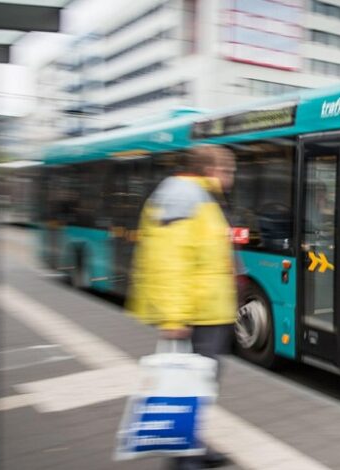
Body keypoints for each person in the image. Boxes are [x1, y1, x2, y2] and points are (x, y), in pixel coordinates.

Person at [127, 144, 237, 470]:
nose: (230, 178)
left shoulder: (201, 197)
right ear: (210, 169)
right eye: (227, 170)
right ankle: (183, 456)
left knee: (202, 382)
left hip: (209, 310)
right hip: (197, 313)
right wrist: (174, 316)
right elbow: (170, 261)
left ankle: (195, 447)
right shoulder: (183, 197)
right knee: (188, 385)